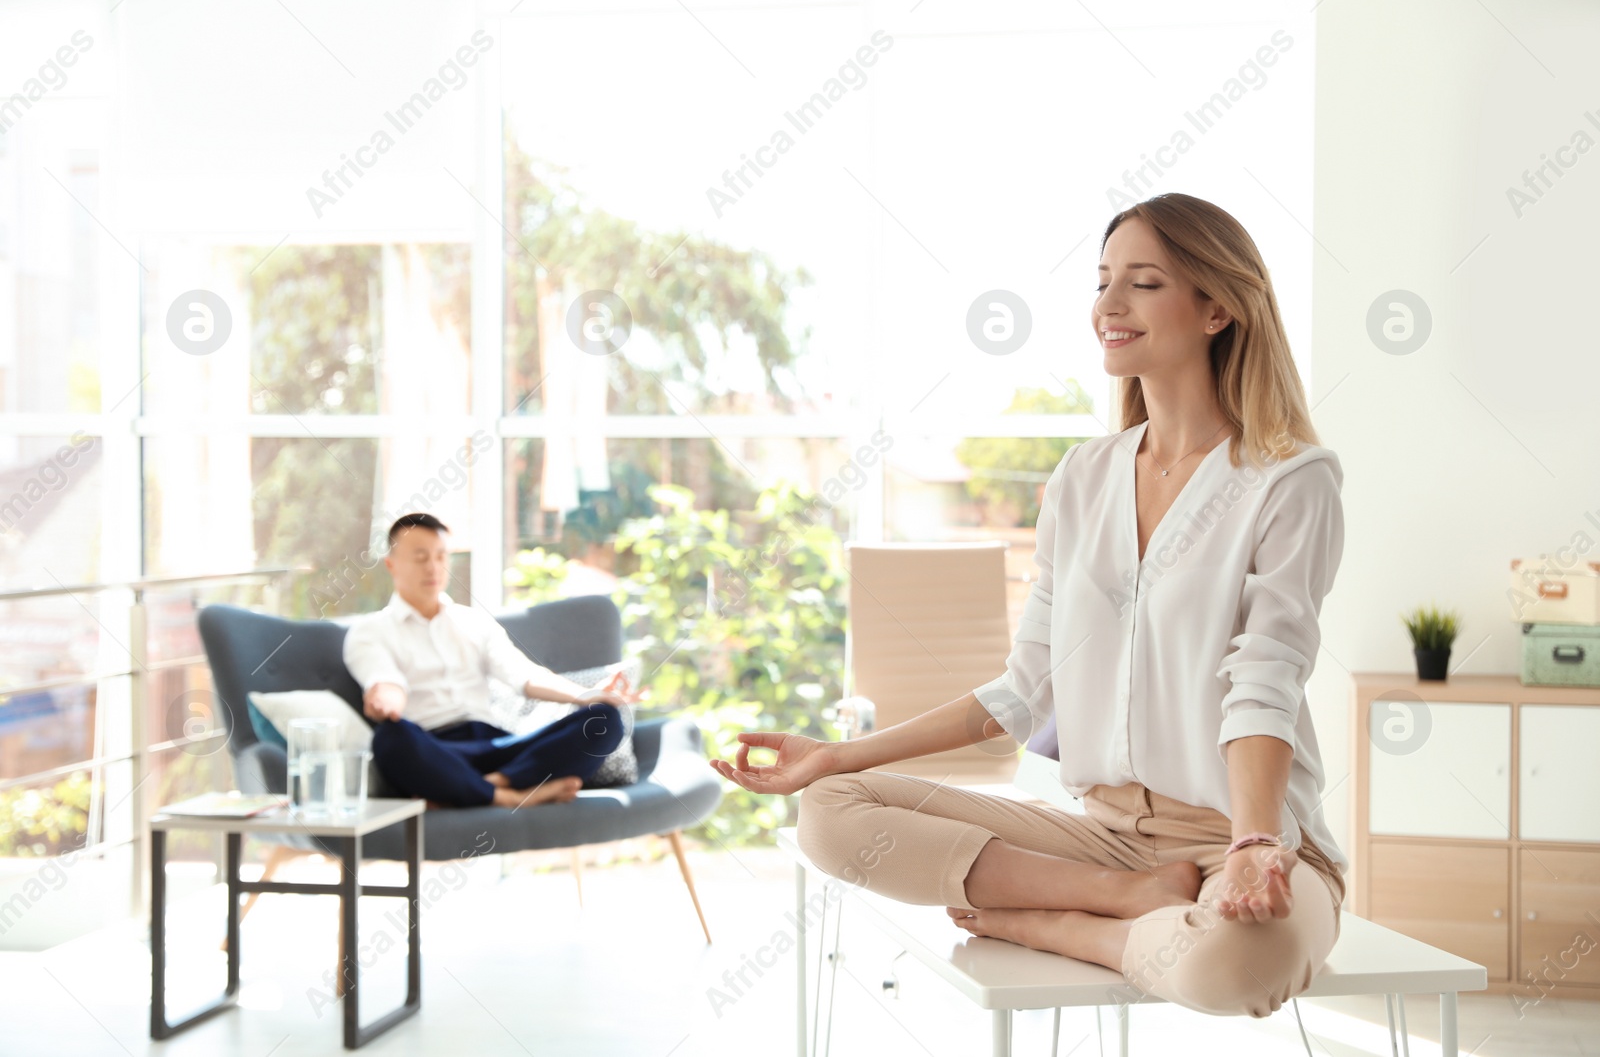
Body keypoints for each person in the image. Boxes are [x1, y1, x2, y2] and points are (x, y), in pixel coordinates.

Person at [709, 193, 1349, 1019]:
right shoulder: (1083, 478)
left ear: (1219, 306)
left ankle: (1067, 926)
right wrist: (837, 754)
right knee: (830, 814)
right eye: (1103, 281)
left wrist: (1256, 846)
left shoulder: (1289, 479)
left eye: (1144, 283)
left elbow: (1264, 680)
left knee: (1229, 971)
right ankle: (1123, 896)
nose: (1109, 306)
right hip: (1104, 835)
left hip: (1244, 836)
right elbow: (1021, 692)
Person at [344, 513, 631, 810]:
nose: (432, 567)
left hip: (498, 747)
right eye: (420, 557)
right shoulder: (369, 632)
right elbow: (386, 681)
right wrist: (385, 702)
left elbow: (522, 675)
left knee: (605, 720)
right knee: (390, 739)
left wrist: (586, 695)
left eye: (441, 556)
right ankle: (512, 796)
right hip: (434, 752)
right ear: (391, 564)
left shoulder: (474, 622)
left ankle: (487, 786)